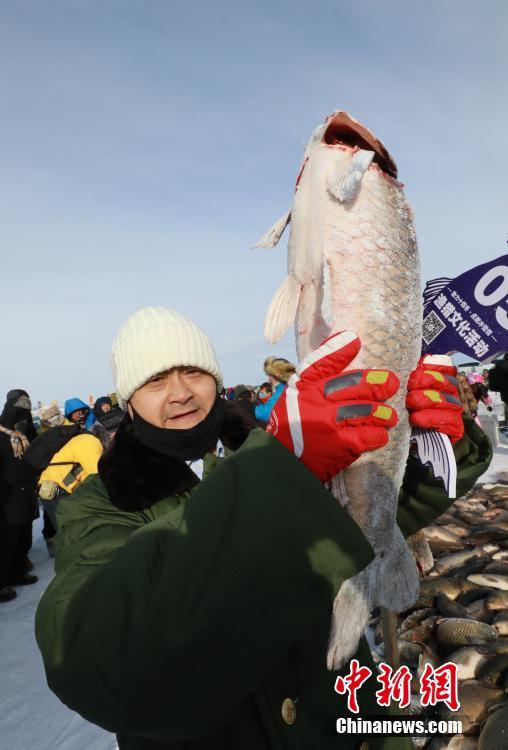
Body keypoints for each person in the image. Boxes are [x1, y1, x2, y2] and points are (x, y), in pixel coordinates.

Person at [36, 306, 491, 749]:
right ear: (128, 401)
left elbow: (374, 516)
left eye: (193, 372)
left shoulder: (281, 442)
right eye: (155, 381)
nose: (180, 393)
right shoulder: (102, 503)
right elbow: (101, 663)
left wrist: (426, 441)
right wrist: (278, 479)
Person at [0, 390, 38, 602]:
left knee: (24, 536)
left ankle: (18, 572)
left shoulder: (28, 431)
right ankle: (2, 582)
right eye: (19, 411)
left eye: (26, 412)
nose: (23, 417)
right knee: (7, 539)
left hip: (26, 491)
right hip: (6, 495)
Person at [254, 356, 296, 424]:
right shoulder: (292, 386)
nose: (269, 379)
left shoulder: (282, 391)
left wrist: (247, 408)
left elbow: (266, 413)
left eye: (270, 376)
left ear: (277, 375)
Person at [488, 353, 508, 424]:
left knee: (506, 404)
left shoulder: (498, 365)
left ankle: (506, 421)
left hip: (503, 389)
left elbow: (491, 372)